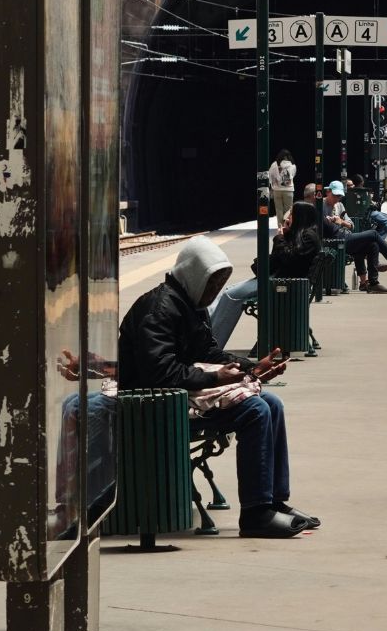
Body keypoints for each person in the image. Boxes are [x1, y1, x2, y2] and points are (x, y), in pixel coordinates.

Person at [118, 237, 317, 538]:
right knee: (255, 410)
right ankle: (255, 512)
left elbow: (209, 352)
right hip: (152, 402)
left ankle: (274, 500)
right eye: (211, 282)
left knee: (272, 403)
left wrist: (250, 368)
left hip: (179, 394)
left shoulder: (190, 303)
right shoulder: (159, 309)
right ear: (194, 274)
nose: (213, 292)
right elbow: (158, 373)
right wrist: (214, 378)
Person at [211, 201, 328, 348]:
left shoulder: (308, 237)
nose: (288, 218)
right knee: (227, 291)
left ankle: (214, 344)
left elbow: (288, 259)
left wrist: (279, 237)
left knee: (231, 295)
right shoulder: (304, 235)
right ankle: (207, 337)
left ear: (300, 217)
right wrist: (286, 235)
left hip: (283, 284)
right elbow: (280, 258)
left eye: (292, 214)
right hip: (281, 280)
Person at [267, 149, 297, 222]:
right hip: (288, 190)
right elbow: (292, 176)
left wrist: (271, 185)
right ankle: (287, 228)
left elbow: (269, 175)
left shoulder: (274, 164)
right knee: (288, 211)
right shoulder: (293, 165)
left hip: (277, 190)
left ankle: (280, 228)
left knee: (278, 210)